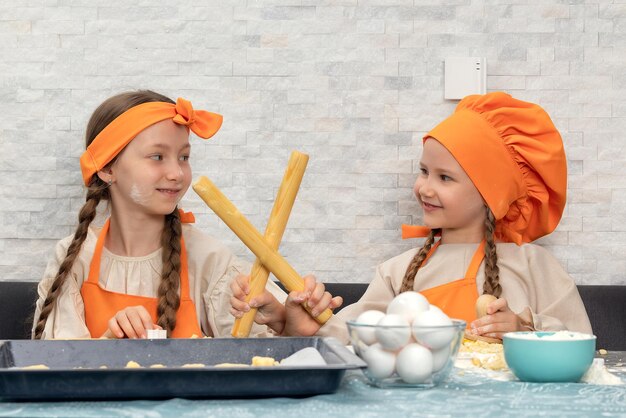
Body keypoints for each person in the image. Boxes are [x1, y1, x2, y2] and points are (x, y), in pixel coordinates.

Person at [230, 92, 592, 343]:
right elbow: (352, 338)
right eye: (423, 171)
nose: (424, 188)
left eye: (444, 177)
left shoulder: (533, 266)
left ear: (491, 195)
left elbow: (581, 344)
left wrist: (522, 329)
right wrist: (293, 321)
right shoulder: (396, 272)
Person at [32, 90, 287, 339]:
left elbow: (259, 358)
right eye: (157, 156)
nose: (177, 173)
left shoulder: (208, 259)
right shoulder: (75, 259)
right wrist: (111, 342)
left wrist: (292, 324)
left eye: (184, 157)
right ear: (107, 168)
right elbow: (57, 370)